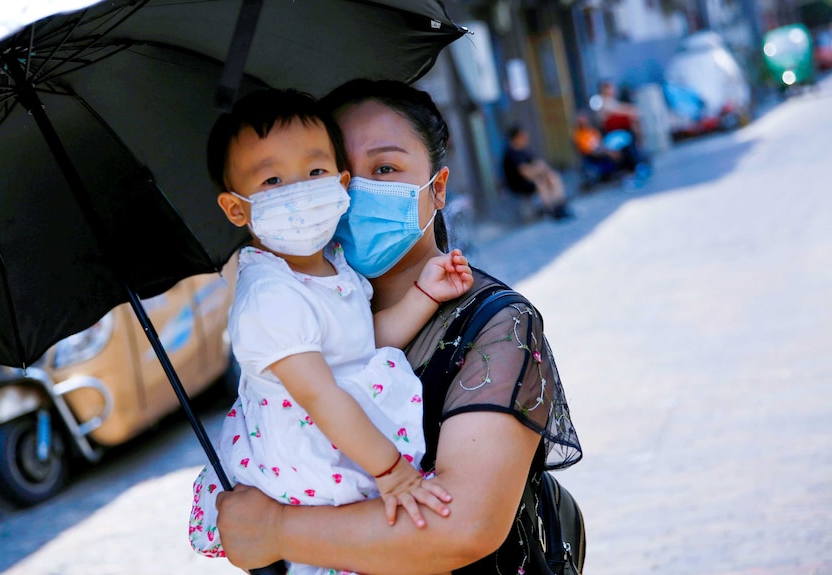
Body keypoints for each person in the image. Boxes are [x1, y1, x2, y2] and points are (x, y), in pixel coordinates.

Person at [213, 79, 582, 575]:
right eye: (345, 170)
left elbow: (464, 525)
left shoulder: (498, 328)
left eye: (385, 169)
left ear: (439, 187)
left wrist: (277, 530)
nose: (356, 189)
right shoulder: (295, 306)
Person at [188, 88, 474, 574]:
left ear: (341, 184)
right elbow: (321, 395)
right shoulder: (269, 296)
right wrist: (394, 474)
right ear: (238, 210)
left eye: (315, 172)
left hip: (344, 465)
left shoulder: (333, 268)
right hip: (311, 479)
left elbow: (363, 346)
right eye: (273, 179)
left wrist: (424, 296)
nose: (298, 189)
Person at [501, 125, 572, 221]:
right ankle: (550, 210)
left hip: (532, 178)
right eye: (523, 136)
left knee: (552, 177)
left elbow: (538, 164)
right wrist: (539, 170)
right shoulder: (511, 154)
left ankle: (560, 205)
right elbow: (525, 172)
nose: (525, 138)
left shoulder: (524, 150)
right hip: (519, 184)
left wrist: (542, 171)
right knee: (540, 182)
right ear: (516, 138)